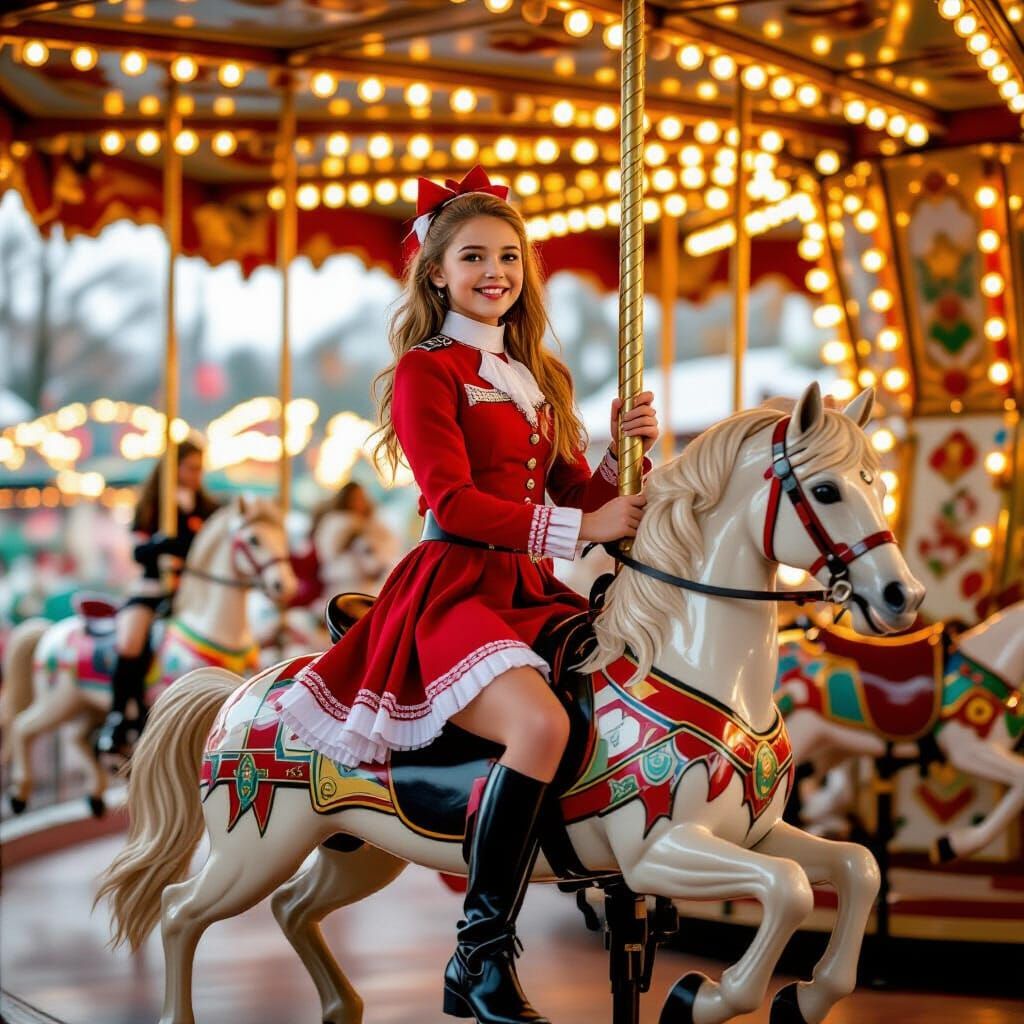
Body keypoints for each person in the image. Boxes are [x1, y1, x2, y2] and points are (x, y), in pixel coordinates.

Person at [275, 166, 658, 1024]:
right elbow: (452, 502)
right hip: (453, 588)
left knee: (623, 689)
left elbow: (575, 499)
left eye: (511, 257)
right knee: (540, 724)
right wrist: (582, 531)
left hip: (525, 587)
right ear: (436, 272)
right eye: (476, 256)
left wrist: (617, 460)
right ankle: (479, 953)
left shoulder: (530, 373)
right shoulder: (427, 372)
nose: (497, 272)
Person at [95, 438, 219, 757]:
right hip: (153, 588)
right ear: (174, 467)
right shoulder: (154, 504)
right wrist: (160, 545)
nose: (196, 474)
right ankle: (119, 714)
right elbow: (138, 551)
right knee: (132, 640)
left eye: (199, 468)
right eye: (190, 467)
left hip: (193, 592)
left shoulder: (208, 507)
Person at [310, 481, 399, 596]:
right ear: (346, 499)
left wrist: (379, 563)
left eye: (361, 497)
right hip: (344, 584)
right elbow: (328, 552)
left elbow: (390, 547)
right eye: (355, 498)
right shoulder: (335, 523)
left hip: (372, 585)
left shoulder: (374, 525)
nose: (359, 502)